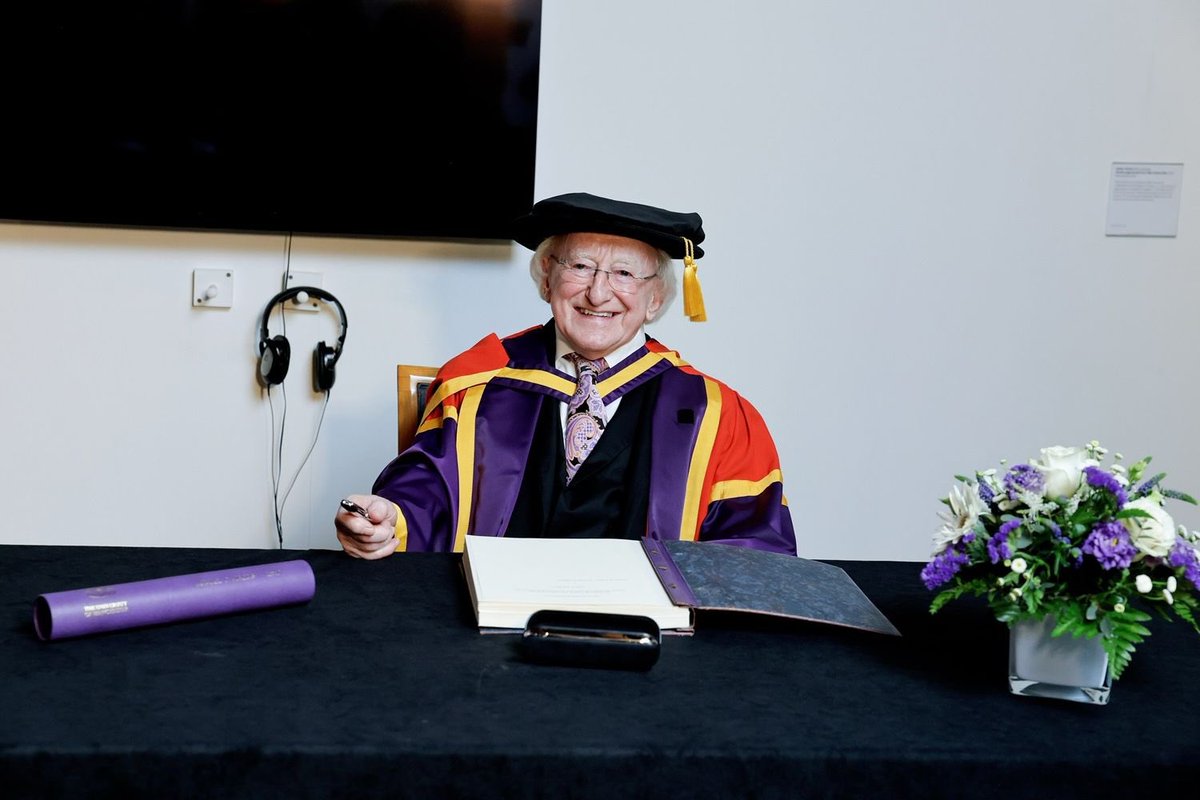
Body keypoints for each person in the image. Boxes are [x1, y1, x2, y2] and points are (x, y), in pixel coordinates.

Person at [336, 192, 796, 558]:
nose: (598, 293)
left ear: (656, 299)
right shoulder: (478, 384)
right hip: (489, 629)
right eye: (579, 266)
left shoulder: (714, 413)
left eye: (624, 273)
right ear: (546, 280)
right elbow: (429, 494)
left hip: (644, 643)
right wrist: (389, 518)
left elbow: (754, 548)